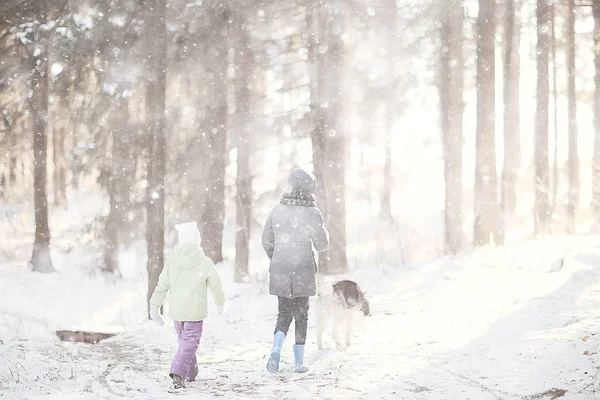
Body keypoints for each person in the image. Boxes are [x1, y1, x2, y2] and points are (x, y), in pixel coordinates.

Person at [262, 167, 329, 373]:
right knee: (302, 314)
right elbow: (321, 244)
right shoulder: (312, 212)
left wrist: (278, 257)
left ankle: (275, 350)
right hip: (303, 270)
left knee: (284, 312)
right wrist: (322, 229)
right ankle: (299, 363)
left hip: (280, 269)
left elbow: (266, 241)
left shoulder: (277, 209)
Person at [149, 221, 225, 391]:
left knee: (185, 343)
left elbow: (162, 285)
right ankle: (178, 372)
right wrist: (220, 302)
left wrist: (155, 306)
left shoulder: (172, 262)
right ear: (197, 240)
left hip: (177, 311)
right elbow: (216, 285)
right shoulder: (205, 262)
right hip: (195, 312)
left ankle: (191, 372)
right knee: (189, 343)